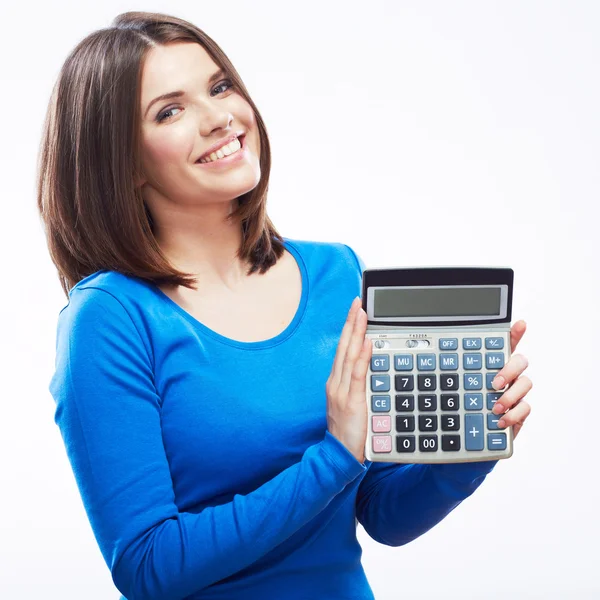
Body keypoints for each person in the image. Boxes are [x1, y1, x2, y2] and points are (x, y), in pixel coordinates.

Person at [37, 11, 533, 600]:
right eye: (170, 110)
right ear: (119, 159)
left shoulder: (336, 273)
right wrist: (334, 457)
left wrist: (473, 441)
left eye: (220, 87)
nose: (220, 117)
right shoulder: (111, 318)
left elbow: (381, 515)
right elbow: (148, 567)